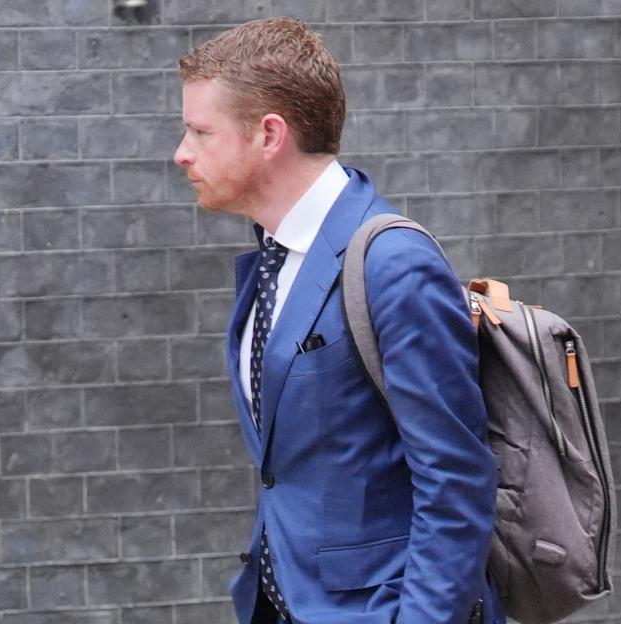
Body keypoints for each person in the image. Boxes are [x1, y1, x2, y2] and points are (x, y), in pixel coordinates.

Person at [173, 17, 503, 624]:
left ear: (269, 134)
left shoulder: (392, 264)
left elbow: (456, 483)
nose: (182, 153)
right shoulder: (272, 258)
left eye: (200, 131)